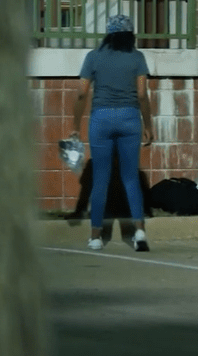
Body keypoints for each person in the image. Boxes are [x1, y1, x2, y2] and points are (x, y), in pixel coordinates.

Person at [71, 14, 154, 251]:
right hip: (129, 119)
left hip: (101, 119)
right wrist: (149, 125)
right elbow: (141, 95)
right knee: (130, 178)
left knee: (100, 180)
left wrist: (75, 126)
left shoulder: (93, 57)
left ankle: (96, 236)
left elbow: (81, 93)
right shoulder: (137, 58)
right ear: (130, 35)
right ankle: (139, 233)